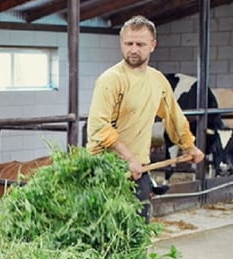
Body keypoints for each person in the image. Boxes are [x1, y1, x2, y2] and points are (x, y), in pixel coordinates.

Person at [86, 15, 205, 221]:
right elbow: (99, 127)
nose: (133, 49)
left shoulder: (157, 80)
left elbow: (173, 116)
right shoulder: (111, 80)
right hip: (103, 169)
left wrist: (189, 145)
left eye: (140, 44)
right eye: (128, 43)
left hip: (140, 169)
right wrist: (129, 158)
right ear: (121, 44)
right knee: (104, 235)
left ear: (153, 45)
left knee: (138, 232)